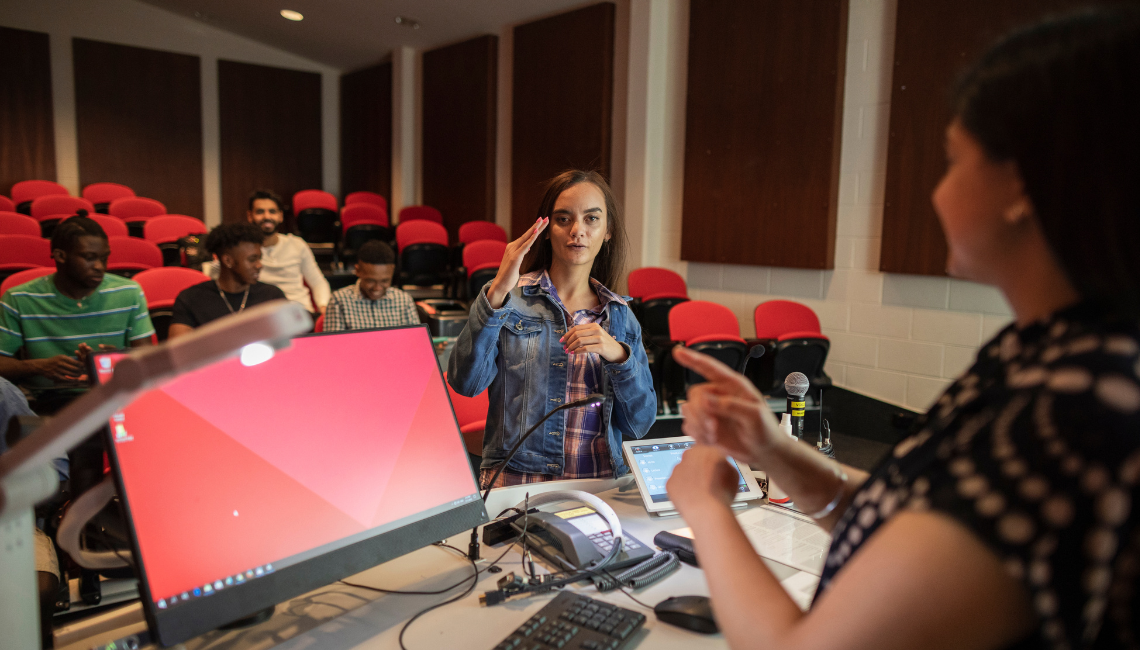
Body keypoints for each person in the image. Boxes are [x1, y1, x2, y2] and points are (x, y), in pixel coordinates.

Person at [665, 8, 1140, 650]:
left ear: (1020, 185)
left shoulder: (1074, 412)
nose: (938, 193)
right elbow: (904, 524)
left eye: (953, 160)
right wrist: (772, 449)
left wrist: (707, 510)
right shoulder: (1046, 353)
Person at [448, 170, 656, 488]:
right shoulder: (508, 298)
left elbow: (638, 424)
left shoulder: (621, 318)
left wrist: (618, 355)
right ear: (545, 229)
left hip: (600, 485)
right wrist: (498, 291)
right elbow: (466, 382)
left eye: (591, 219)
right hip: (519, 482)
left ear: (608, 230)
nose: (577, 231)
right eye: (563, 219)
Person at [0, 216, 154, 414]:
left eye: (104, 258)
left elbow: (147, 358)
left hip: (113, 396)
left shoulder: (129, 291)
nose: (100, 266)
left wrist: (115, 359)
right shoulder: (19, 298)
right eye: (89, 258)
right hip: (46, 402)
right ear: (60, 256)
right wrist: (38, 367)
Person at [208, 190, 330, 316]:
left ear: (280, 216)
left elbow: (317, 282)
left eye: (272, 211)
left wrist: (324, 307)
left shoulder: (297, 244)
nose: (267, 216)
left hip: (300, 314)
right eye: (260, 212)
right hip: (260, 315)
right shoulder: (242, 250)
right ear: (250, 216)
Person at [167, 222, 286, 339]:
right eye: (252, 260)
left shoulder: (272, 296)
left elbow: (293, 343)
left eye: (259, 259)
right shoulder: (191, 299)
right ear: (228, 261)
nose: (259, 265)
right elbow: (178, 352)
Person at [324, 240, 418, 331]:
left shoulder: (404, 301)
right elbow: (333, 346)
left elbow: (415, 343)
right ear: (357, 271)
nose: (377, 288)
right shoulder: (339, 301)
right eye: (370, 281)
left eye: (385, 281)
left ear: (392, 271)